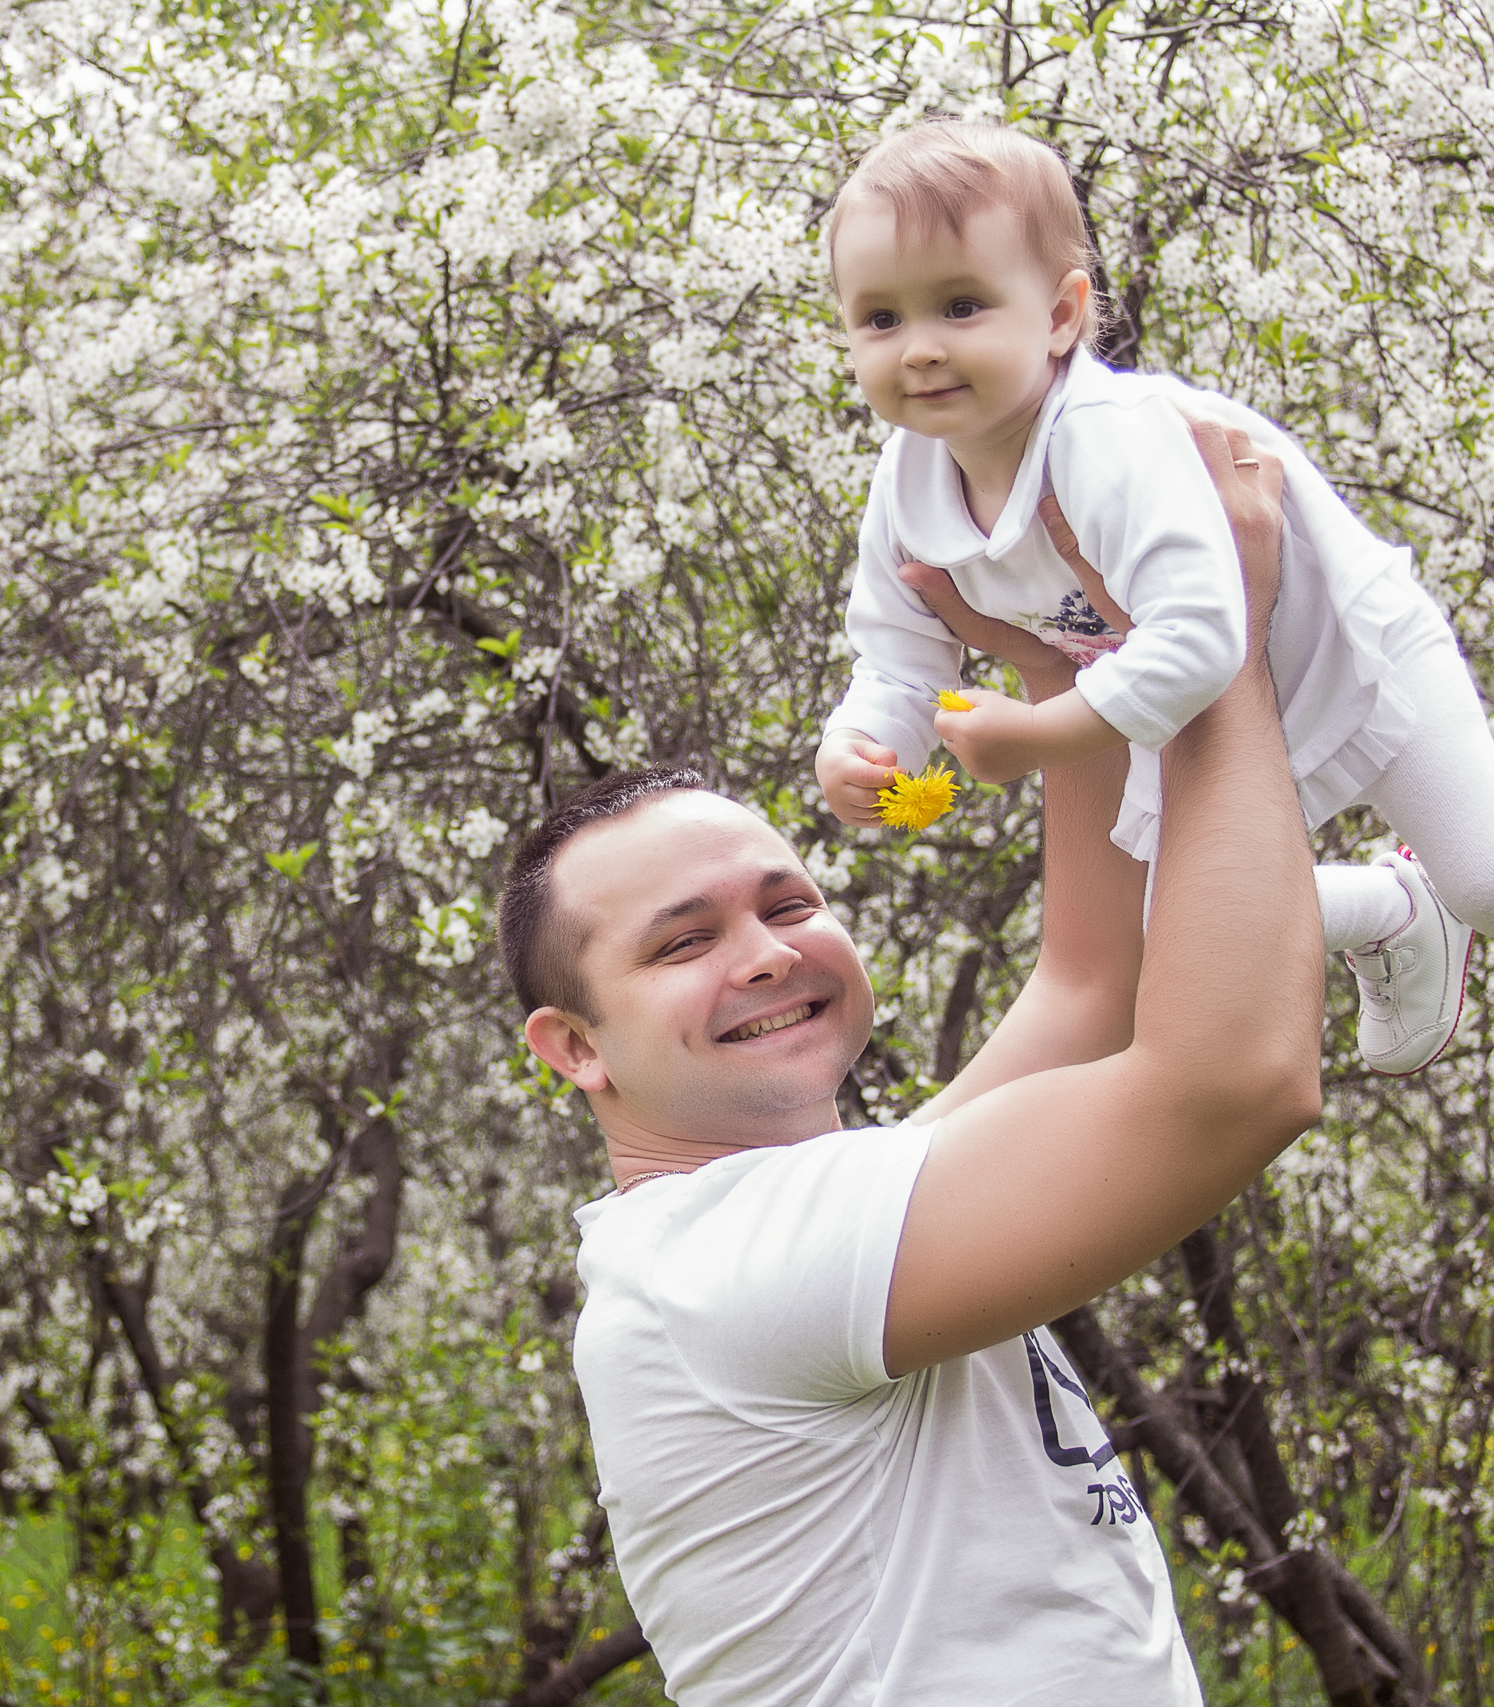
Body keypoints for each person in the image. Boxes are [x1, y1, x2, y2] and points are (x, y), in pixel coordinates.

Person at [813, 120, 1494, 1200]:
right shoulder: (908, 484)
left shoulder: (1110, 439)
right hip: (1184, 704)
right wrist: (865, 741)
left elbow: (1206, 631)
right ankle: (1393, 913)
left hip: (1346, 648)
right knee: (1168, 933)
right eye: (880, 318)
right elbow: (899, 650)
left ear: (1061, 315)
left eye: (960, 306)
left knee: (1491, 872)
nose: (918, 346)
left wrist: (1040, 732)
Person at [506, 424, 1316, 1703]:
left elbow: (1088, 991)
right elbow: (1240, 1081)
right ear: (575, 1048)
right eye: (684, 941)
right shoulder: (737, 1263)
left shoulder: (797, 1219)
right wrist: (1224, 653)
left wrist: (1072, 670)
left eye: (787, 901)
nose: (767, 954)